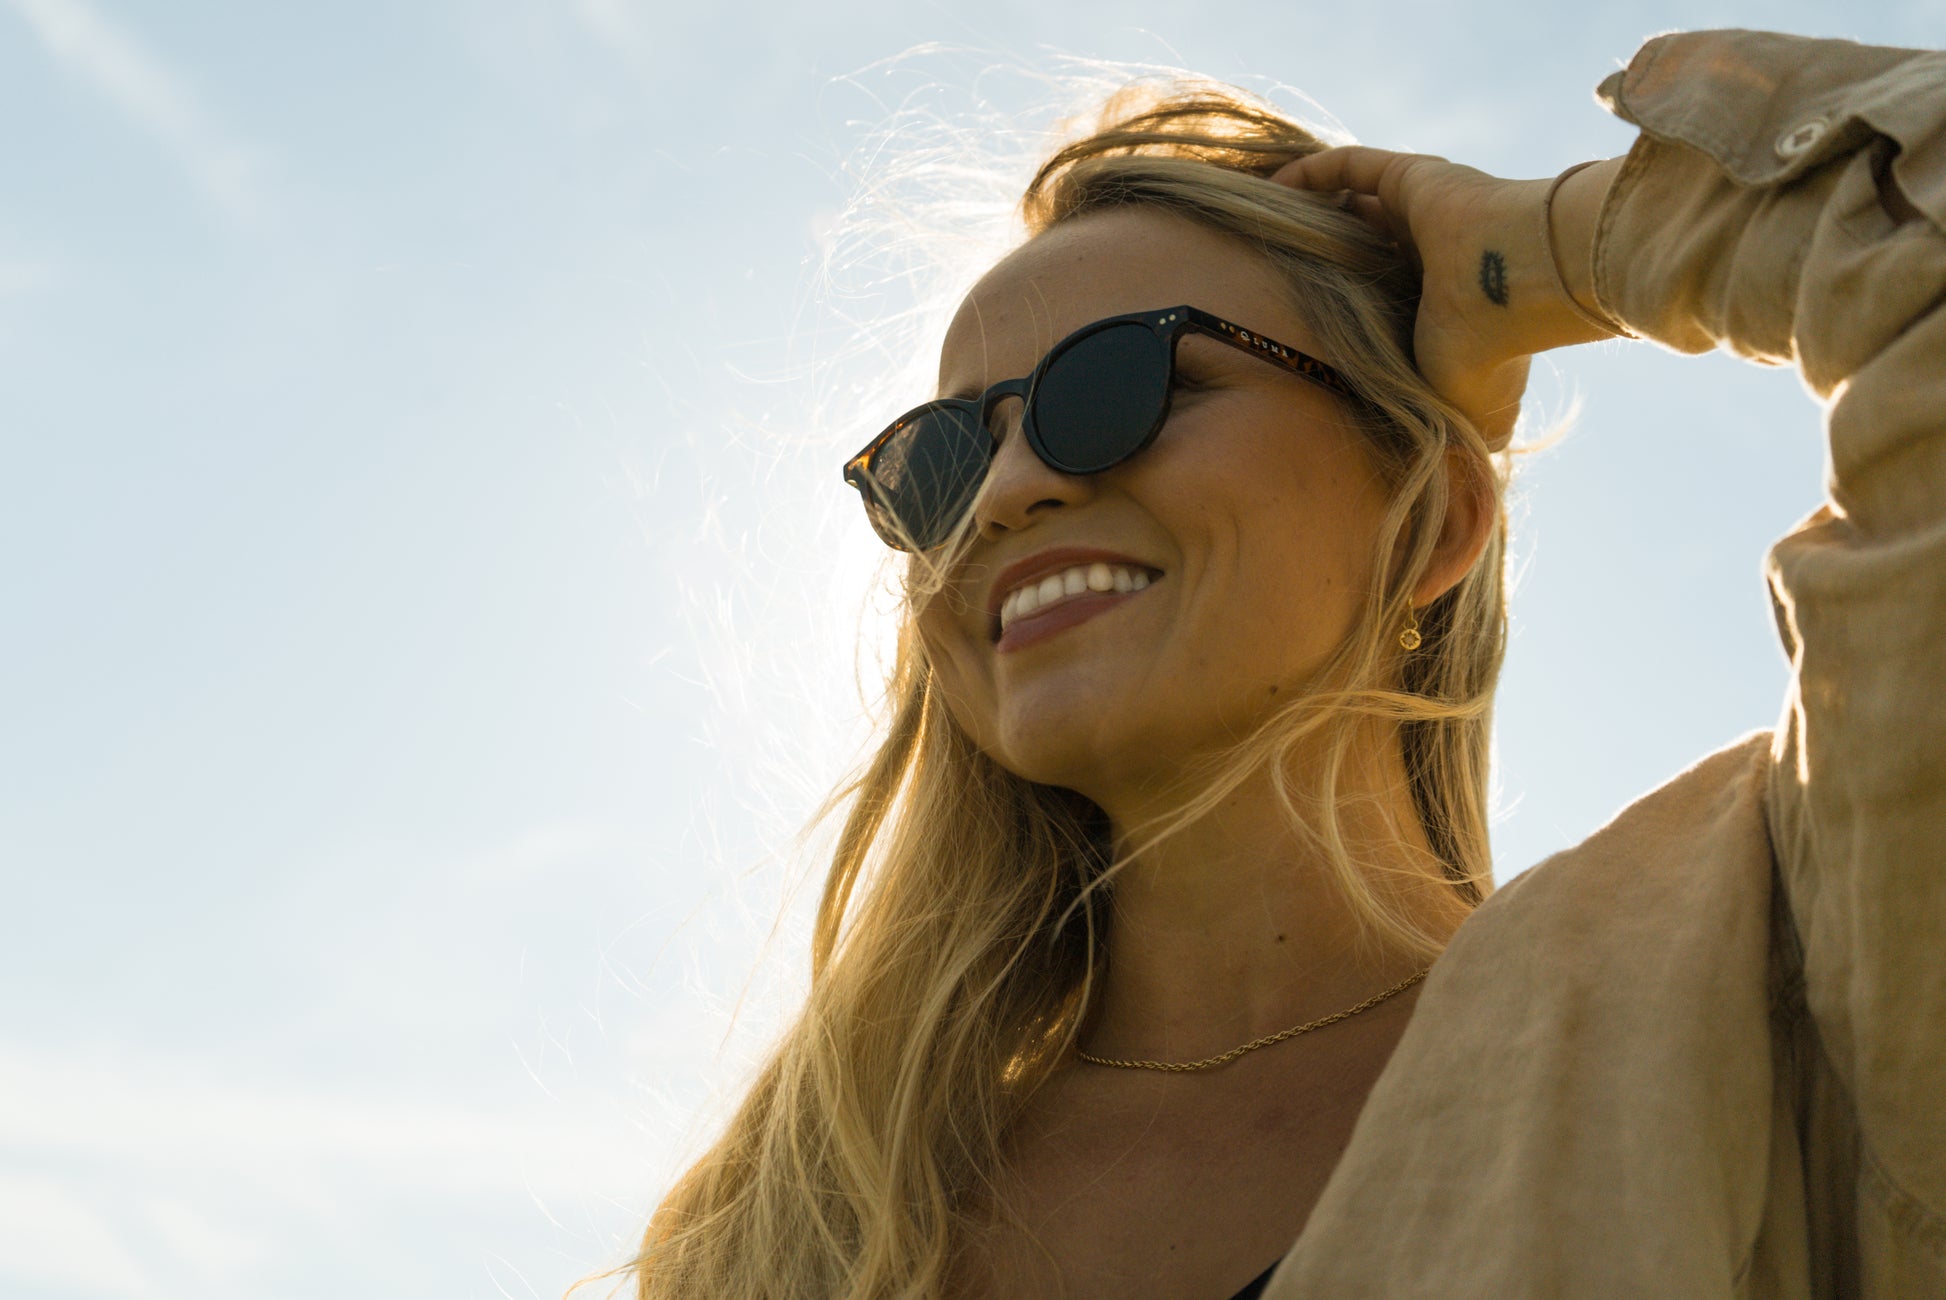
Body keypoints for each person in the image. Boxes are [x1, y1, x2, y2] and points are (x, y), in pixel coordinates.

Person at [623, 28, 1946, 1298]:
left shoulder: (1740, 993)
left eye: (1121, 384)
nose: (1007, 491)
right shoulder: (797, 1215)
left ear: (1427, 519)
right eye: (941, 457)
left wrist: (1542, 255)